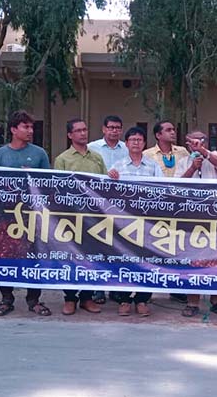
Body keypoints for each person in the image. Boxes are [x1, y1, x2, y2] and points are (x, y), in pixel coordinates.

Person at [0, 110, 51, 317]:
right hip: (6, 215)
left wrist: (31, 177)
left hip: (32, 215)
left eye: (32, 127)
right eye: (26, 127)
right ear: (14, 130)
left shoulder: (40, 154)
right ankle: (6, 299)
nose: (30, 131)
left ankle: (34, 299)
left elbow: (48, 184)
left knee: (34, 255)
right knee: (6, 255)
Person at [174, 131, 217, 318]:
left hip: (215, 215)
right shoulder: (183, 161)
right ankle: (192, 302)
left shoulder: (213, 156)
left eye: (199, 141)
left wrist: (204, 153)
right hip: (191, 217)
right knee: (194, 258)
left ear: (205, 142)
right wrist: (192, 167)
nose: (195, 145)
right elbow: (177, 185)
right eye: (192, 142)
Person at [107, 126, 162, 317]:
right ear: (126, 143)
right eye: (132, 140)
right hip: (124, 223)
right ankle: (124, 299)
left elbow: (162, 190)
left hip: (148, 222)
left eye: (139, 140)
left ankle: (142, 300)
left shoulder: (153, 166)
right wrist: (111, 178)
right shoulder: (118, 166)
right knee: (125, 258)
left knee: (147, 260)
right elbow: (109, 193)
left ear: (144, 143)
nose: (136, 143)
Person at [53, 118, 106, 315]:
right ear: (70, 135)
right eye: (78, 131)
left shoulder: (97, 158)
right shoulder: (63, 159)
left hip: (94, 216)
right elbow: (57, 188)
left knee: (91, 257)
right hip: (71, 216)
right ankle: (69, 298)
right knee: (70, 257)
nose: (83, 133)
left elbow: (104, 185)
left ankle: (87, 298)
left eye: (85, 130)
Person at [142, 120, 191, 304]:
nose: (173, 132)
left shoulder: (183, 152)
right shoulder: (147, 154)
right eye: (168, 130)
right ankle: (147, 291)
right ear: (158, 135)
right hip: (156, 209)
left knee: (179, 248)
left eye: (173, 129)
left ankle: (177, 288)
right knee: (153, 247)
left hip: (180, 207)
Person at [87, 115, 128, 305]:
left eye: (118, 128)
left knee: (118, 246)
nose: (114, 131)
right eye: (111, 127)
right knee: (98, 244)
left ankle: (115, 288)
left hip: (121, 205)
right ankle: (98, 288)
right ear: (103, 129)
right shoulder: (92, 148)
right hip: (97, 203)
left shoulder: (127, 149)